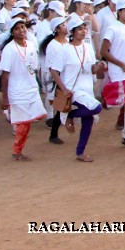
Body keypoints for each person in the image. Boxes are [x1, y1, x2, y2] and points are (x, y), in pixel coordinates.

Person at [47, 16, 104, 162]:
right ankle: (69, 115)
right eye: (79, 29)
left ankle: (80, 152)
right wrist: (64, 88)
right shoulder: (64, 49)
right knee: (96, 107)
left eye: (84, 28)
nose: (83, 31)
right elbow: (54, 70)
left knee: (88, 121)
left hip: (87, 89)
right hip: (73, 90)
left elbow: (91, 69)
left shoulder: (87, 46)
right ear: (72, 32)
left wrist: (99, 66)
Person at [0, 18, 46, 161]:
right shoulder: (9, 49)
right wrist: (5, 98)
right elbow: (5, 75)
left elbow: (34, 68)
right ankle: (17, 151)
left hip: (31, 88)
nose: (21, 30)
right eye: (17, 28)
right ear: (12, 32)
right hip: (17, 90)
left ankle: (18, 148)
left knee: (31, 120)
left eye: (23, 27)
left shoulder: (31, 45)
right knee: (23, 123)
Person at [100, 0, 125, 148]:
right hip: (119, 70)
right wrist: (121, 64)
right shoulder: (113, 28)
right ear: (119, 12)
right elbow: (104, 51)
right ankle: (107, 97)